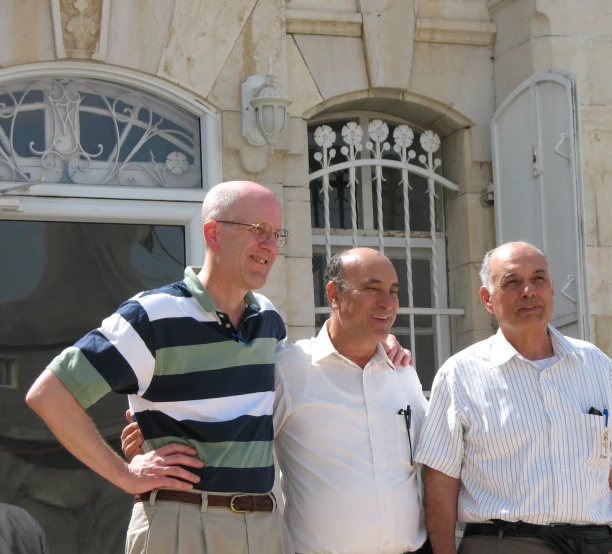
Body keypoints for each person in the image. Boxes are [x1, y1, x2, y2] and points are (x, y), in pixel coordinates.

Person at [26, 181, 295, 554]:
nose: (270, 245)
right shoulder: (151, 316)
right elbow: (50, 394)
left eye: (277, 234)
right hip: (179, 527)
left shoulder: (269, 319)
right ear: (213, 233)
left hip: (262, 527)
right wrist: (125, 474)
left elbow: (302, 382)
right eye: (259, 230)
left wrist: (382, 349)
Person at [123, 247, 431, 554]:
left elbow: (435, 458)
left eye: (393, 291)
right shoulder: (288, 369)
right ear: (334, 295)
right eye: (372, 288)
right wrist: (153, 437)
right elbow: (226, 436)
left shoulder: (403, 373)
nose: (387, 302)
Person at [415, 242, 612, 554]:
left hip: (596, 545)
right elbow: (441, 479)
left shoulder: (597, 365)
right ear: (487, 299)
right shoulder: (459, 375)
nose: (528, 291)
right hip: (505, 544)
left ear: (551, 289)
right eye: (512, 282)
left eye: (538, 279)